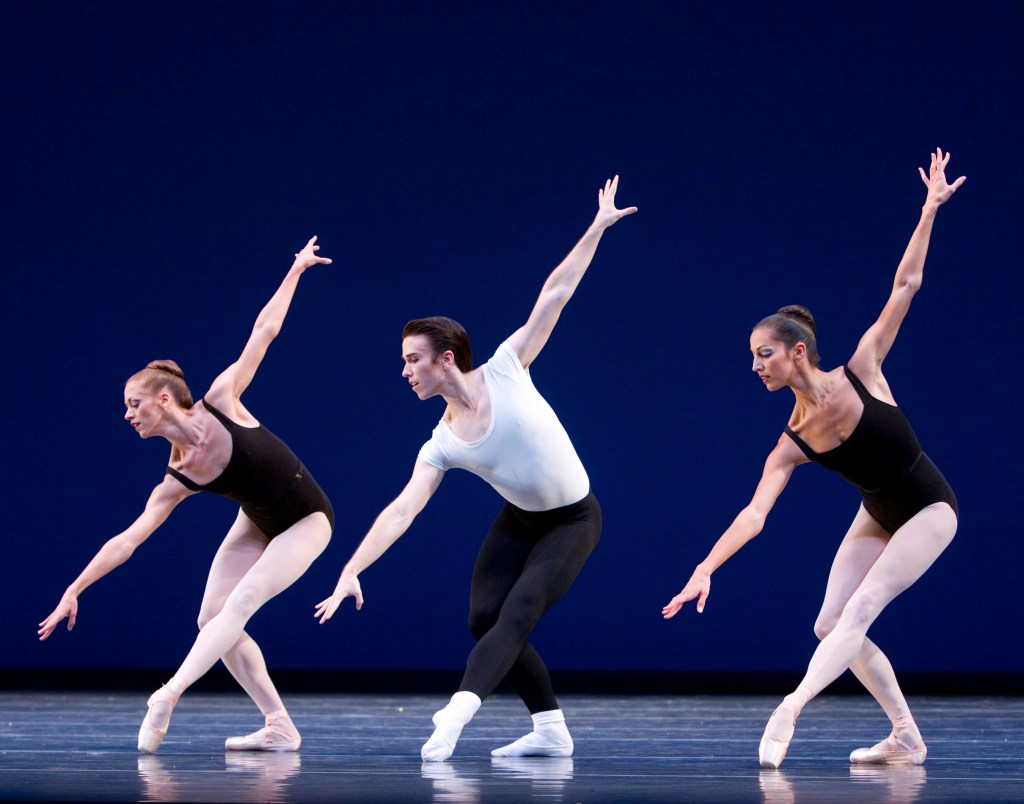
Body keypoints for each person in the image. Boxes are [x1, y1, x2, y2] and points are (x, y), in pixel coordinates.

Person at [315, 177, 637, 761]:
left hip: (573, 520)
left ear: (446, 359)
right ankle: (551, 731)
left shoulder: (507, 366)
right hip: (520, 520)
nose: (405, 372)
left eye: (413, 360)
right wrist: (352, 569)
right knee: (484, 617)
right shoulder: (441, 442)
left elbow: (555, 293)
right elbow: (402, 510)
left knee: (518, 613)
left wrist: (597, 227)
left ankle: (455, 716)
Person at [662, 149, 965, 769]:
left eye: (764, 354)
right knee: (831, 625)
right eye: (753, 357)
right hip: (878, 513)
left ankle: (790, 708)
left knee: (862, 608)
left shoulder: (864, 369)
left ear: (797, 351)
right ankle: (906, 736)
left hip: (930, 508)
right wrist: (705, 567)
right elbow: (754, 515)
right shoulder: (791, 441)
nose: (756, 366)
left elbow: (905, 286)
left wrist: (929, 209)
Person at [39, 237, 336, 755]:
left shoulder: (220, 400)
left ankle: (168, 693)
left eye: (133, 404)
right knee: (210, 618)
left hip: (308, 518)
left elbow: (263, 332)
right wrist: (75, 588)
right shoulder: (176, 476)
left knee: (241, 602)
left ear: (162, 399)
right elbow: (128, 540)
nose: (127, 415)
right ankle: (279, 726)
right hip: (257, 519)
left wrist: (295, 270)